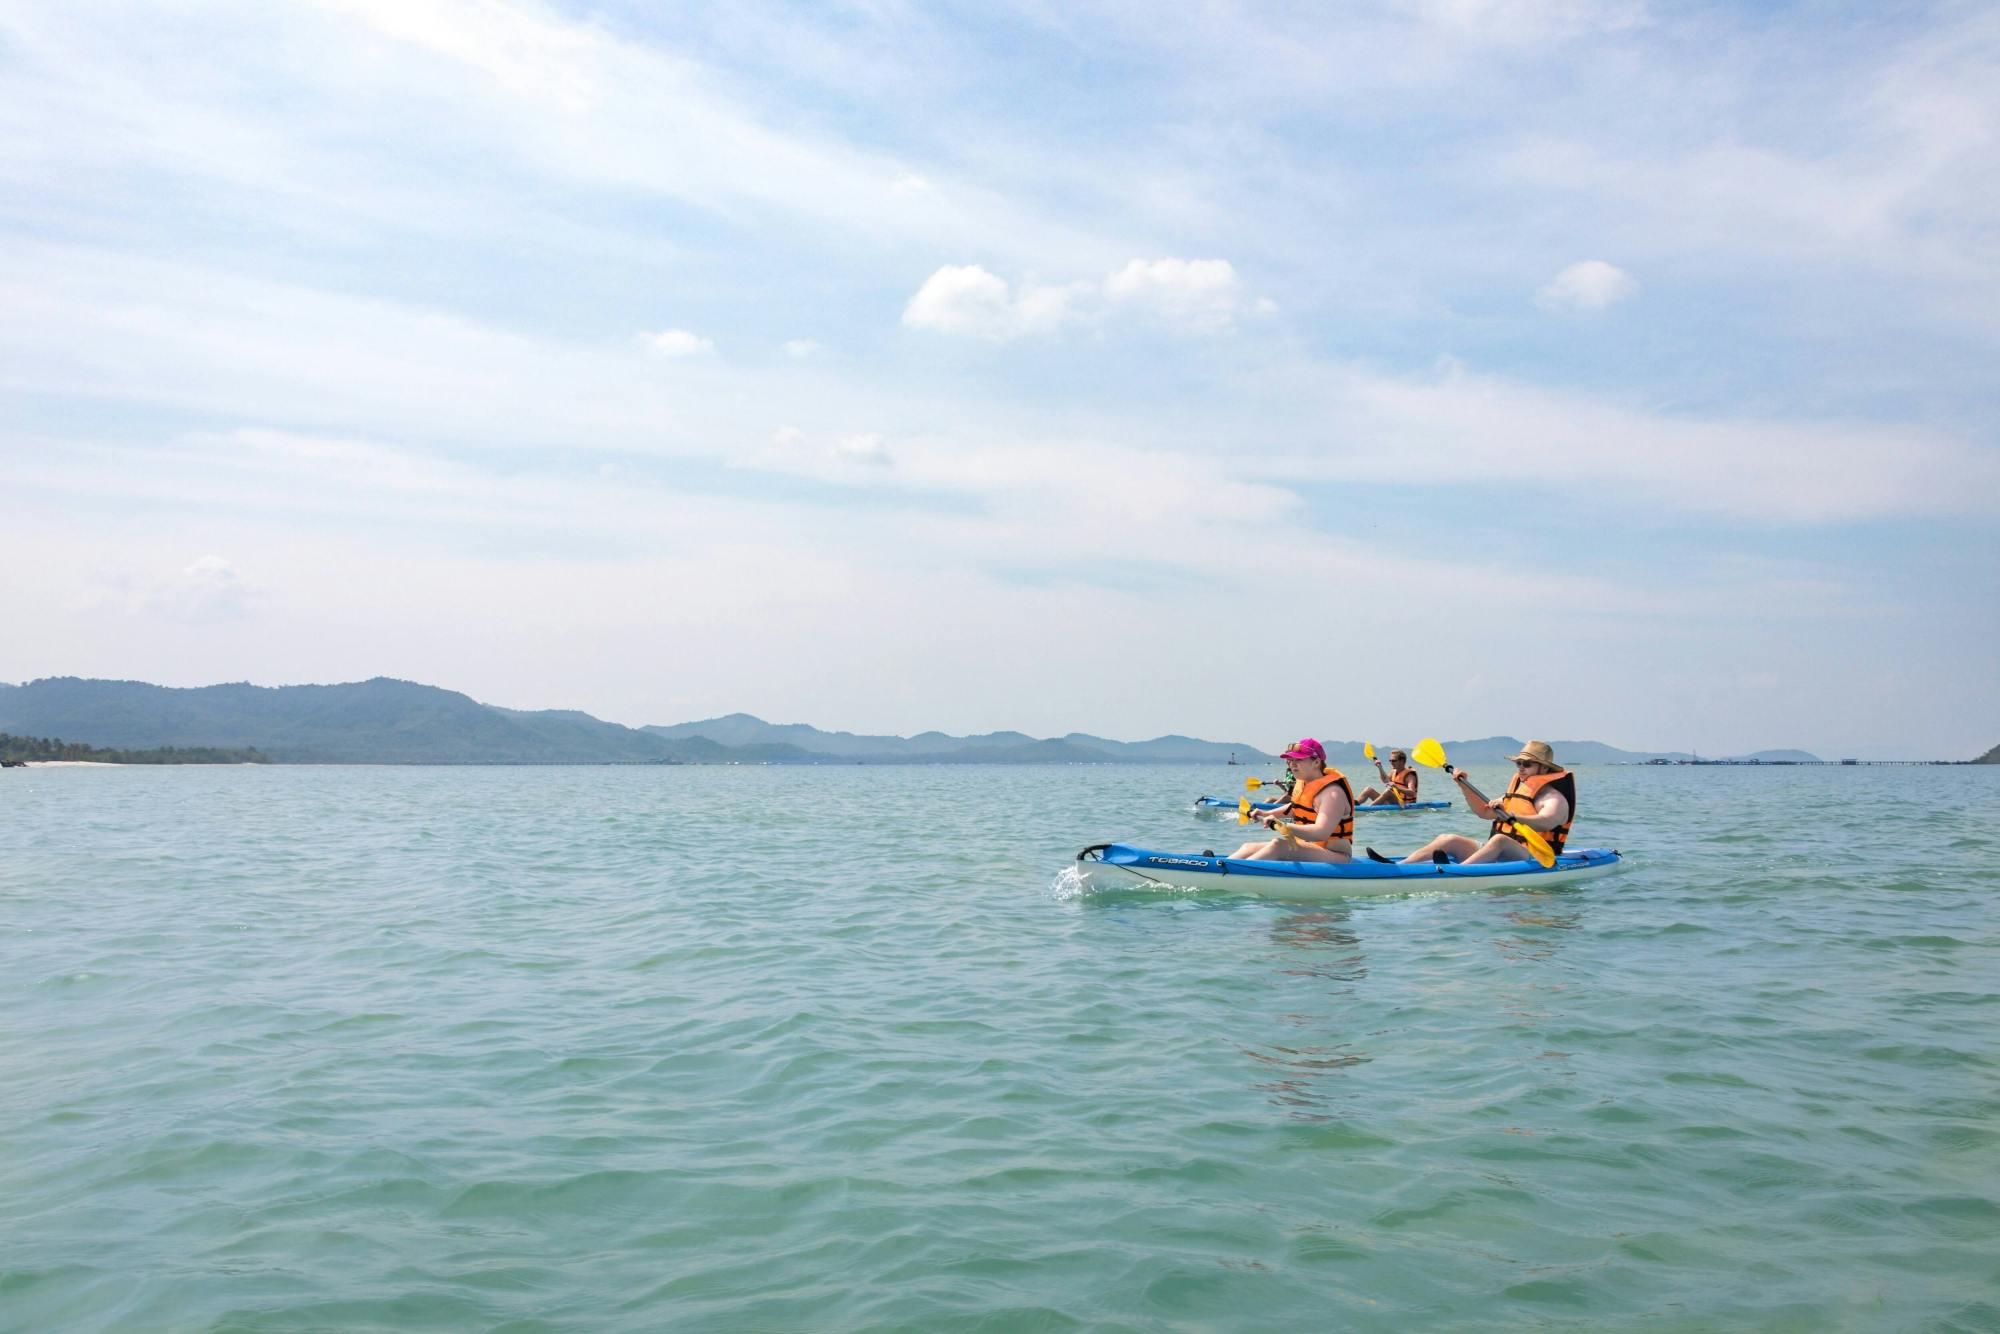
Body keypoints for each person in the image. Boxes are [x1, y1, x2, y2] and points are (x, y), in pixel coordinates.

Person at [1392, 741, 1575, 865]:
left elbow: (1548, 820)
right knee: (1448, 839)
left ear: (1544, 768)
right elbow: (1484, 812)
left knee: (1500, 840)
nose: (1520, 768)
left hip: (1538, 858)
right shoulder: (1519, 791)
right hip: (1503, 854)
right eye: (1518, 763)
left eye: (1527, 764)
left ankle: (1456, 874)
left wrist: (1514, 816)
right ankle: (1400, 867)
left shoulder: (1554, 797)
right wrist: (1463, 785)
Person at [1226, 738, 1355, 863]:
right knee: (1248, 847)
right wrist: (1266, 814)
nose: (1292, 764)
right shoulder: (1304, 784)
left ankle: (1232, 876)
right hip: (1310, 848)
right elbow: (1295, 809)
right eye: (1290, 760)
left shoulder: (1332, 794)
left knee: (1278, 846)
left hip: (1336, 856)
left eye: (1298, 760)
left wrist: (1284, 826)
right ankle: (1222, 867)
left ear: (1316, 762)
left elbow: (1321, 833)